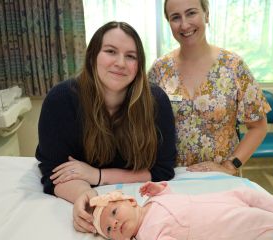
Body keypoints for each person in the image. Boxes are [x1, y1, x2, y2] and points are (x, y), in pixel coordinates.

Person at [36, 21, 177, 234]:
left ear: (139, 65)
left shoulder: (156, 101)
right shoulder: (60, 101)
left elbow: (162, 169)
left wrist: (97, 176)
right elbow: (54, 172)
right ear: (92, 56)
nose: (120, 63)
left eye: (131, 56)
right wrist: (85, 196)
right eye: (111, 51)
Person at [148, 0, 270, 175]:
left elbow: (258, 127)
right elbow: (144, 125)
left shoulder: (233, 66)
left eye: (191, 13)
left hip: (220, 177)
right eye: (175, 17)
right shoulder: (160, 70)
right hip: (172, 178)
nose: (184, 24)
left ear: (207, 14)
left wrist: (230, 166)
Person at [88, 181, 273, 239]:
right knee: (250, 218)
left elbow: (171, 196)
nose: (114, 224)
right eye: (109, 230)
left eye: (114, 213)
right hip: (215, 223)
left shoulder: (150, 203)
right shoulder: (148, 234)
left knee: (244, 191)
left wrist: (160, 188)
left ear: (131, 202)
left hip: (216, 199)